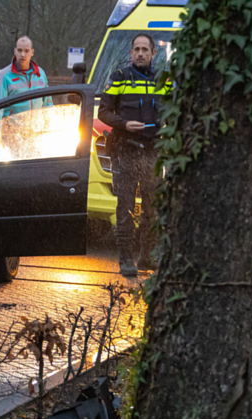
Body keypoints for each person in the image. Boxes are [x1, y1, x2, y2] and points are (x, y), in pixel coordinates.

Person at [97, 34, 168, 276]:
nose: (139, 53)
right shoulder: (120, 77)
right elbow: (104, 112)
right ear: (131, 53)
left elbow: (175, 109)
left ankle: (147, 257)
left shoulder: (163, 80)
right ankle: (126, 259)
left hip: (152, 151)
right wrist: (125, 124)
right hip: (125, 149)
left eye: (144, 49)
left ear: (152, 54)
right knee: (125, 207)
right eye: (136, 49)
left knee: (152, 208)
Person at [0, 36, 52, 120]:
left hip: (37, 131)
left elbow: (48, 104)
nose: (22, 55)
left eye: (26, 51)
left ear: (32, 52)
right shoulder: (3, 76)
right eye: (20, 50)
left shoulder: (40, 74)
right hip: (12, 131)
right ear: (15, 51)